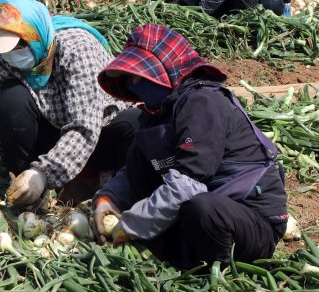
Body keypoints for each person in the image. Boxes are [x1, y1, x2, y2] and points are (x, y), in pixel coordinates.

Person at [92, 23, 288, 269]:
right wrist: (108, 198)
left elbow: (189, 185)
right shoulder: (159, 112)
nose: (131, 84)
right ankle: (175, 257)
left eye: (136, 76)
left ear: (165, 70)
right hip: (195, 214)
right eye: (129, 78)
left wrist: (131, 224)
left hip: (249, 220)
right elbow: (133, 171)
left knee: (203, 209)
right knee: (142, 153)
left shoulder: (203, 102)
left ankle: (217, 269)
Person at [0, 0, 144, 207]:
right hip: (50, 132)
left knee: (133, 124)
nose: (9, 55)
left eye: (17, 46)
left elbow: (84, 127)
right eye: (3, 49)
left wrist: (44, 174)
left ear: (34, 35)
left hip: (98, 132)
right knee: (11, 98)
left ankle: (106, 183)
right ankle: (22, 185)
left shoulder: (77, 48)